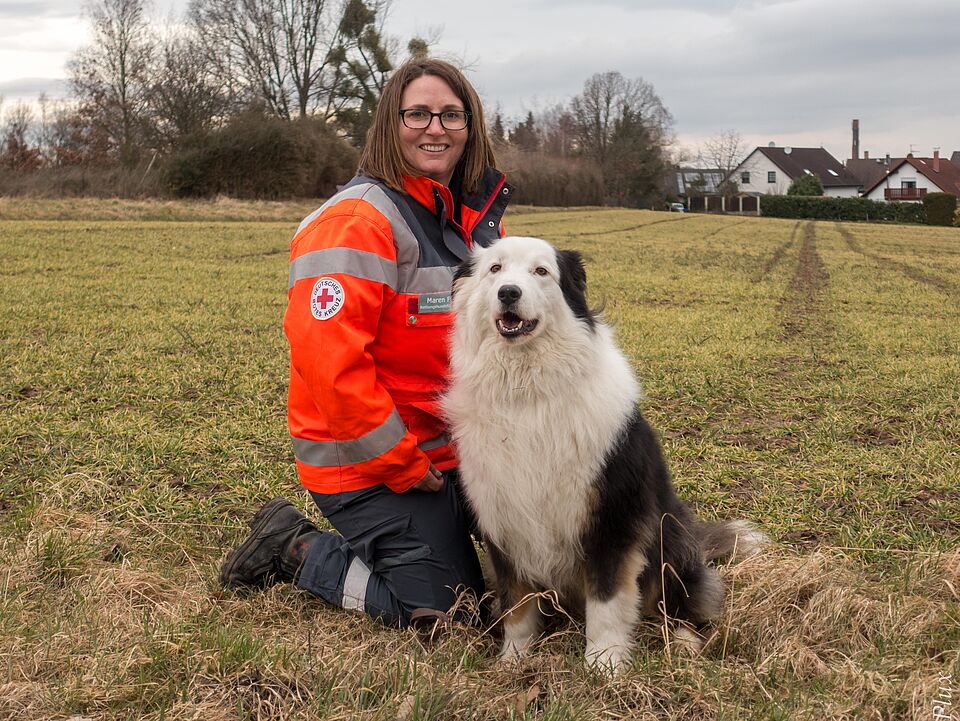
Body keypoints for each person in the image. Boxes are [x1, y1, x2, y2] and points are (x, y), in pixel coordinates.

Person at [219, 57, 513, 632]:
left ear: (471, 127)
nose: (436, 128)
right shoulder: (355, 223)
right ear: (389, 124)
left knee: (546, 573)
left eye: (452, 115)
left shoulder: (468, 221)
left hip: (454, 450)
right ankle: (295, 548)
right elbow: (331, 367)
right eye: (419, 114)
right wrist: (400, 462)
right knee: (452, 619)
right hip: (374, 463)